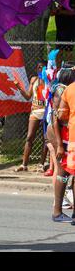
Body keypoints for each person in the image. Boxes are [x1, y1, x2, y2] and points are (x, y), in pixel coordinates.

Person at [14, 61, 48, 172]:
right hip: (35, 111)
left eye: (42, 67)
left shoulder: (49, 80)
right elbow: (28, 96)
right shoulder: (33, 80)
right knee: (29, 137)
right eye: (38, 67)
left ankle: (41, 164)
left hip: (46, 112)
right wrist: (19, 87)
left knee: (45, 139)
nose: (40, 69)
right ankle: (24, 164)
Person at [52, 67, 75, 222]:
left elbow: (60, 116)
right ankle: (57, 211)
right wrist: (60, 144)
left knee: (66, 175)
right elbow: (57, 118)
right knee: (63, 174)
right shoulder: (62, 90)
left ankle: (60, 211)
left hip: (70, 138)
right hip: (66, 138)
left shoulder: (68, 89)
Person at [53, 0, 75, 66]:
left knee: (68, 50)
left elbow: (73, 12)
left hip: (69, 29)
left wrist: (59, 12)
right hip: (60, 30)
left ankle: (70, 69)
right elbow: (53, 12)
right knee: (59, 50)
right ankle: (58, 69)